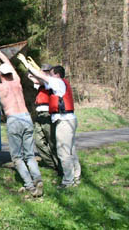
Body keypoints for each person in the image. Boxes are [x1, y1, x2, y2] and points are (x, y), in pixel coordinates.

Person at [0, 45, 43, 197]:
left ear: (0, 74)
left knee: (17, 157)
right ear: (10, 73)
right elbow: (10, 66)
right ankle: (38, 179)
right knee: (30, 155)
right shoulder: (17, 81)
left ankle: (30, 186)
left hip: (13, 119)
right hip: (26, 117)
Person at [17, 54, 81, 188]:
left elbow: (42, 77)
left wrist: (26, 64)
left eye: (51, 74)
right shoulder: (60, 83)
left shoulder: (57, 82)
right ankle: (76, 177)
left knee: (63, 152)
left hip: (64, 122)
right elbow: (39, 80)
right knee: (71, 151)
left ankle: (68, 181)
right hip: (68, 120)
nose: (49, 76)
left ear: (56, 74)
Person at [27, 62, 60, 172]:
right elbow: (34, 79)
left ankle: (59, 167)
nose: (43, 73)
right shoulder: (42, 84)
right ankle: (53, 164)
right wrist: (30, 70)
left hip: (48, 114)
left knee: (52, 142)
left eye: (46, 72)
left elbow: (40, 80)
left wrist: (32, 69)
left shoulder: (52, 82)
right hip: (40, 114)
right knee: (38, 142)